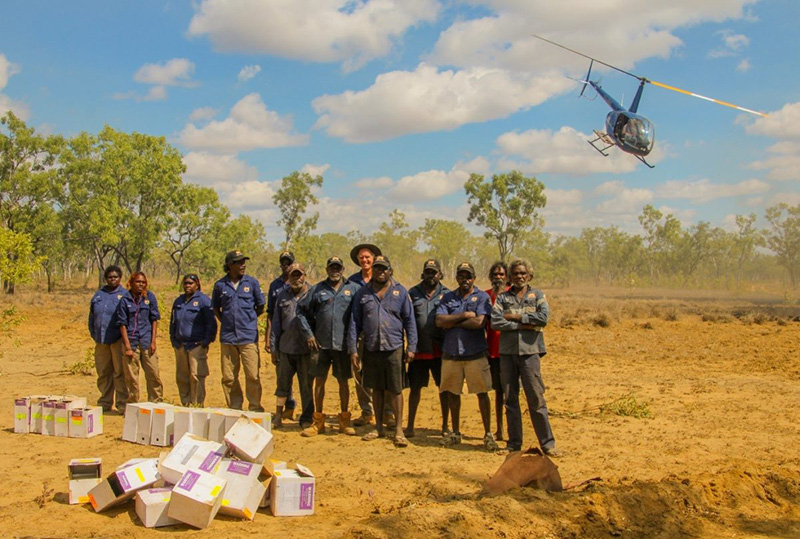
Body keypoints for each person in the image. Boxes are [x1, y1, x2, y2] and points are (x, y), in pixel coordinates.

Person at [490, 259, 561, 457]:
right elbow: (496, 321)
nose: (519, 276)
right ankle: (514, 444)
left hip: (530, 353)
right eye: (516, 273)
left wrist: (515, 317)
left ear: (529, 275)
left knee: (536, 398)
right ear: (510, 277)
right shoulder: (503, 298)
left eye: (523, 273)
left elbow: (543, 318)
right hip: (508, 353)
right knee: (510, 399)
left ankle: (547, 444)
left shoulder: (537, 295)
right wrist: (523, 325)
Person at [347, 255, 417, 448]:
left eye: (383, 268)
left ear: (390, 271)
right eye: (377, 268)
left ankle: (399, 430)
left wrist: (411, 347)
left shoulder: (400, 292)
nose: (380, 271)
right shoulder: (362, 293)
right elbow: (354, 322)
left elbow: (410, 321)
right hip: (371, 347)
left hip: (394, 347)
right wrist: (353, 349)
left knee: (395, 389)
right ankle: (378, 427)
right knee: (376, 388)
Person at [435, 262, 498, 451]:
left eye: (468, 276)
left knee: (482, 393)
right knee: (452, 393)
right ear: (456, 278)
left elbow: (479, 322)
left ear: (474, 278)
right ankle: (455, 433)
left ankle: (487, 434)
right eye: (461, 276)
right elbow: (439, 321)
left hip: (475, 353)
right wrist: (464, 315)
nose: (465, 280)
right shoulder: (448, 297)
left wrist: (452, 321)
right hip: (451, 353)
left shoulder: (482, 297)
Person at [296, 256, 360, 437]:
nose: (335, 271)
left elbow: (362, 313)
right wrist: (308, 334)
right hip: (321, 345)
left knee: (343, 381)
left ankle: (345, 421)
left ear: (343, 269)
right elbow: (300, 310)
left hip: (343, 345)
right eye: (332, 267)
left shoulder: (353, 289)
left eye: (338, 267)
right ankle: (318, 421)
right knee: (319, 381)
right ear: (327, 269)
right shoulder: (317, 290)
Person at [211, 250, 266, 412]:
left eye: (244, 262)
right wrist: (227, 321)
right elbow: (216, 307)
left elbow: (260, 306)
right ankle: (235, 407)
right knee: (229, 377)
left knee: (252, 375)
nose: (243, 265)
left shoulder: (252, 283)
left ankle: (255, 406)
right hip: (228, 337)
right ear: (229, 265)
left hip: (248, 337)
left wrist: (247, 320)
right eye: (239, 262)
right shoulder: (220, 285)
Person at [347, 243, 393, 428]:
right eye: (361, 258)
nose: (364, 260)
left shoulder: (386, 280)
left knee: (386, 374)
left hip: (383, 336)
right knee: (359, 374)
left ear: (374, 259)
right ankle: (367, 411)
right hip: (360, 336)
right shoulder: (351, 282)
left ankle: (388, 413)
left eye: (367, 257)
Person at [406, 259, 449, 438]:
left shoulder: (447, 294)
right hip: (419, 350)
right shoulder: (412, 293)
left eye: (434, 272)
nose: (431, 275)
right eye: (428, 272)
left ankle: (446, 426)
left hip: (441, 350)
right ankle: (410, 426)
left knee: (444, 389)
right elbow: (407, 320)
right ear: (422, 274)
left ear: (440, 274)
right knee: (415, 389)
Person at [270, 263, 314, 429]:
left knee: (306, 385)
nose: (297, 278)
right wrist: (273, 348)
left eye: (299, 274)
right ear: (288, 277)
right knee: (282, 385)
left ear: (304, 275)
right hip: (286, 348)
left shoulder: (313, 293)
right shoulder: (282, 296)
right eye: (293, 275)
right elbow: (276, 323)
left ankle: (306, 418)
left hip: (305, 350)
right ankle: (279, 416)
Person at [115, 271, 164, 403]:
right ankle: (133, 406)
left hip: (147, 341)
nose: (141, 284)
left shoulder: (150, 297)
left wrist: (153, 341)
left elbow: (154, 320)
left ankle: (156, 403)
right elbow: (122, 325)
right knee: (132, 378)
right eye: (138, 281)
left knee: (153, 374)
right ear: (131, 283)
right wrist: (127, 347)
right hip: (131, 343)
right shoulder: (125, 300)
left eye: (143, 282)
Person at [169, 274, 217, 407]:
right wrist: (173, 339)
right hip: (180, 345)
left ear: (197, 284)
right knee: (182, 376)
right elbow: (173, 322)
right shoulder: (178, 301)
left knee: (196, 375)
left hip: (196, 345)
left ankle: (197, 404)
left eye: (190, 283)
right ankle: (185, 402)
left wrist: (206, 341)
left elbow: (211, 323)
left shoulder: (204, 300)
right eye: (185, 283)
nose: (187, 286)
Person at [88, 265, 128, 413]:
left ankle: (122, 403)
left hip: (117, 340)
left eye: (115, 277)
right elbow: (92, 316)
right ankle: (105, 401)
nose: (113, 280)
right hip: (101, 340)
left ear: (120, 278)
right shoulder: (99, 295)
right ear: (106, 279)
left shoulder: (125, 295)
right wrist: (94, 333)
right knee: (103, 372)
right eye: (110, 277)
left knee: (119, 372)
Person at [266, 250, 297, 418]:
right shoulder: (275, 286)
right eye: (283, 263)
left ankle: (292, 407)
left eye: (289, 262)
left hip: (298, 340)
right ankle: (283, 408)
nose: (286, 266)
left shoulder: (301, 283)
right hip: (281, 338)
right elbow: (271, 314)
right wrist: (269, 341)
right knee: (282, 375)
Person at [485, 261, 508, 441]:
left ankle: (511, 430)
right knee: (498, 392)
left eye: (501, 274)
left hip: (509, 351)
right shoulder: (485, 296)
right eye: (495, 275)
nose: (498, 278)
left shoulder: (512, 295)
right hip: (491, 351)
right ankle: (499, 429)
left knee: (510, 393)